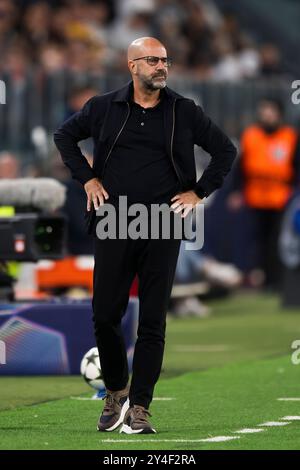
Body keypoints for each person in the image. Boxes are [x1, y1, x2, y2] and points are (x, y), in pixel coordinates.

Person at [54, 36, 236, 434]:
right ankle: (116, 391)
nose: (161, 66)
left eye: (165, 61)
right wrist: (86, 179)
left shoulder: (185, 111)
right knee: (105, 315)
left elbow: (225, 150)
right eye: (152, 60)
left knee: (153, 320)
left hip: (163, 224)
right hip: (114, 222)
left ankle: (140, 406)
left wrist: (198, 192)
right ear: (132, 65)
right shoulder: (103, 107)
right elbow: (64, 137)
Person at [228, 98, 299, 289]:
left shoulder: (289, 136)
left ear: (279, 114)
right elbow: (240, 167)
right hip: (255, 196)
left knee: (277, 240)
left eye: (271, 110)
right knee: (253, 240)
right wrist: (236, 192)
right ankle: (253, 277)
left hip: (281, 197)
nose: (267, 114)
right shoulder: (251, 135)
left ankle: (275, 280)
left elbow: (296, 166)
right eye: (264, 110)